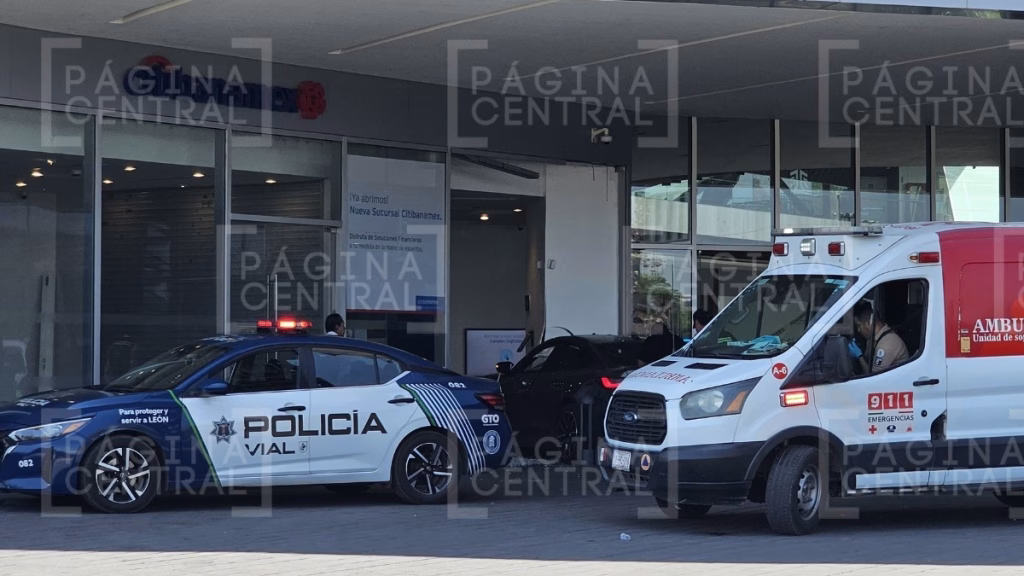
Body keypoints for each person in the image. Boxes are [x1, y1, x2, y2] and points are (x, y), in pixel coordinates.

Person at [848, 300, 908, 374]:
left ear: (868, 323)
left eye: (859, 326)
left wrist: (859, 356)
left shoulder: (887, 344)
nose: (858, 330)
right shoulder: (873, 339)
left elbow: (872, 376)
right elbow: (868, 360)